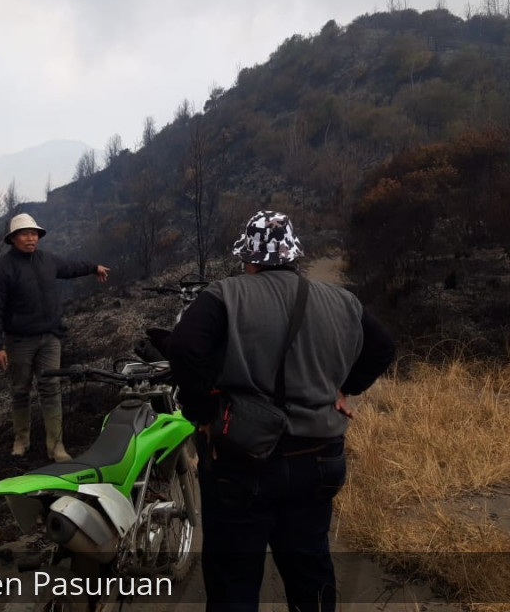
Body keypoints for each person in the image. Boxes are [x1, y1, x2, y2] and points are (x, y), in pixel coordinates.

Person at [168, 210, 396, 612]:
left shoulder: (225, 294)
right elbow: (383, 348)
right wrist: (346, 389)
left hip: (241, 462)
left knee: (233, 579)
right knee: (310, 567)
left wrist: (202, 412)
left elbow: (185, 347)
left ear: (248, 259)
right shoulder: (342, 301)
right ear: (294, 256)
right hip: (319, 460)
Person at [0, 213, 110, 461]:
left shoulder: (47, 261)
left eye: (34, 234)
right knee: (20, 390)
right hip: (19, 341)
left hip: (50, 338)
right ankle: (22, 439)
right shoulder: (2, 270)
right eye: (24, 234)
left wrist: (93, 267)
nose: (30, 238)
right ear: (13, 238)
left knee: (51, 388)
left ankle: (56, 447)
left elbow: (71, 267)